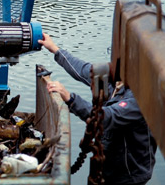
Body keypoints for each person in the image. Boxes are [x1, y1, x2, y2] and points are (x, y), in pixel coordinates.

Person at [38, 32, 156, 185]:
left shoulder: (139, 98)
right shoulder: (116, 81)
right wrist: (55, 49)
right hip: (108, 165)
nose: (111, 62)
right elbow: (84, 71)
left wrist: (70, 98)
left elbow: (106, 117)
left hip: (129, 175)